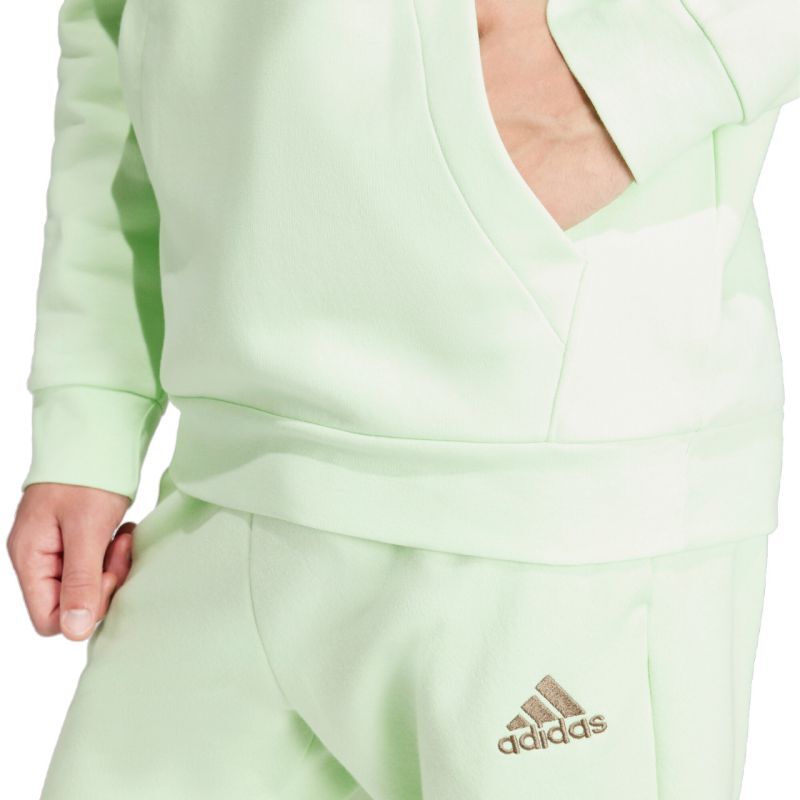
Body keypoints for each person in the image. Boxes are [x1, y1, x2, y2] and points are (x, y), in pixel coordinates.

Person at [7, 0, 799, 797]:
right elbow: (109, 26)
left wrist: (624, 76)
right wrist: (91, 404)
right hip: (225, 473)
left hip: (537, 479)